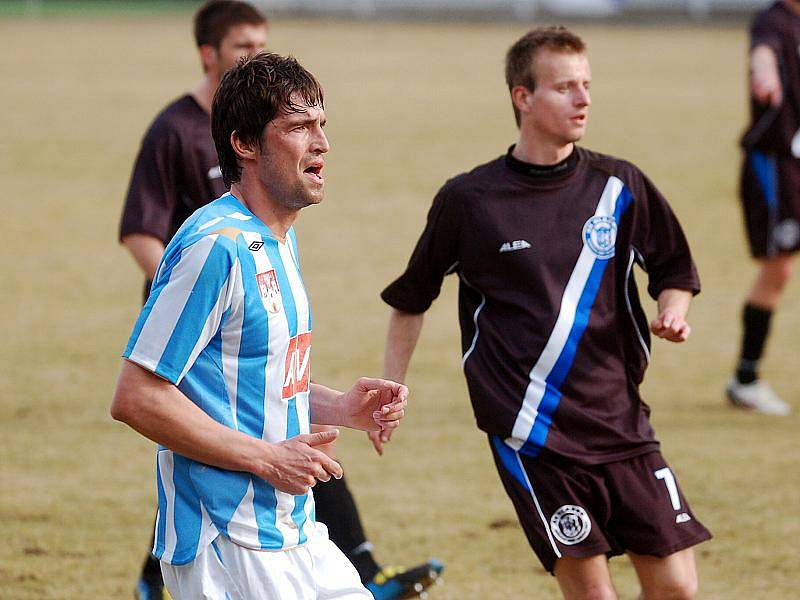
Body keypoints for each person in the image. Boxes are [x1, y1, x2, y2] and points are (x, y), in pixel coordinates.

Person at [119, 3, 440, 599]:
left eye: (321, 124)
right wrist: (268, 460)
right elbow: (137, 397)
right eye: (296, 128)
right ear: (243, 143)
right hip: (227, 544)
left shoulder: (278, 240)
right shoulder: (213, 247)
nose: (320, 144)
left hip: (294, 530)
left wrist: (343, 408)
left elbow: (252, 381)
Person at [381, 27, 711, 600]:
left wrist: (673, 312)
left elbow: (675, 271)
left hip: (622, 421)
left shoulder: (619, 186)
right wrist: (392, 386)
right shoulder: (470, 201)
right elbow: (412, 298)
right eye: (564, 87)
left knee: (678, 586)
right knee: (593, 594)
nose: (583, 99)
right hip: (534, 434)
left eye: (586, 85)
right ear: (522, 97)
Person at [726, 0, 799, 416]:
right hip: (775, 163)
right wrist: (765, 71)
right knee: (779, 266)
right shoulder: (773, 20)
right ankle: (745, 379)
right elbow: (764, 50)